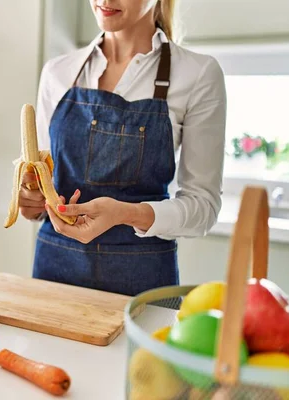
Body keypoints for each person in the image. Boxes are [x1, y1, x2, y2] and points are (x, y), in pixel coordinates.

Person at [19, 0, 227, 297]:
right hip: (54, 278)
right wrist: (32, 202)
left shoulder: (198, 74)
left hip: (142, 289)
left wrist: (125, 214)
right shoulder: (57, 73)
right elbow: (42, 190)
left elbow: (203, 207)